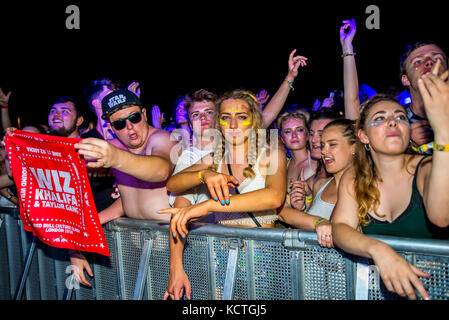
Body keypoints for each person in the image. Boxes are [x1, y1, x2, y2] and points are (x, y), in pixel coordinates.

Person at [332, 61, 449, 300]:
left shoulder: (427, 167)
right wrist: (378, 249)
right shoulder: (354, 177)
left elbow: (442, 216)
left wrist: (444, 130)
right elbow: (340, 228)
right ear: (363, 136)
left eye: (400, 117)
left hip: (438, 290)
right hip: (380, 292)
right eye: (379, 118)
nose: (393, 122)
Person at [158, 89, 287, 300]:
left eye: (241, 117)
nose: (233, 125)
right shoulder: (214, 158)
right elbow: (174, 182)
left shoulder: (271, 154)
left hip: (261, 259)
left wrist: (208, 206)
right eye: (226, 118)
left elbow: (274, 197)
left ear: (253, 120)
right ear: (219, 123)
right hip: (222, 257)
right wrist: (203, 174)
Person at [278, 119, 356, 248]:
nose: (324, 151)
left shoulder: (364, 187)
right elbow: (284, 214)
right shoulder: (320, 185)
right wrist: (302, 207)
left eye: (332, 145)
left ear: (355, 147)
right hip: (309, 265)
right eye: (323, 145)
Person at [399, 40, 448, 147]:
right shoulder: (397, 122)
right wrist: (405, 142)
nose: (429, 62)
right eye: (417, 62)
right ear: (406, 79)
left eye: (437, 59)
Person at [276, 111, 316, 190]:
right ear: (282, 139)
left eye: (299, 130)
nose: (294, 135)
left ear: (307, 134)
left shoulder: (317, 163)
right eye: (288, 131)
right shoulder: (282, 165)